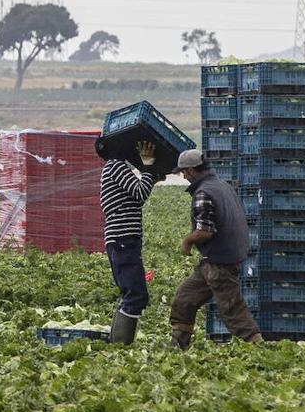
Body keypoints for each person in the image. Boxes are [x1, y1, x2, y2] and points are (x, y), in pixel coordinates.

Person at [169, 149, 262, 347]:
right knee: (184, 298)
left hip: (220, 262)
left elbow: (205, 231)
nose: (184, 176)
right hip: (214, 260)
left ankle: (258, 347)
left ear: (192, 170)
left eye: (184, 172)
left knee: (232, 310)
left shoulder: (203, 193)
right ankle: (178, 343)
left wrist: (187, 241)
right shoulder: (222, 186)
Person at [98, 139, 163, 344]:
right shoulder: (116, 167)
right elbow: (140, 192)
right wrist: (148, 167)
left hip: (121, 239)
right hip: (123, 239)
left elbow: (137, 196)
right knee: (135, 296)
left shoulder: (112, 168)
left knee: (131, 293)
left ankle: (117, 342)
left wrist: (150, 175)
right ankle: (119, 345)